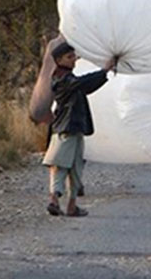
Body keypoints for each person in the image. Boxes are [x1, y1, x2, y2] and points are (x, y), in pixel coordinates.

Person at [42, 41, 116, 217]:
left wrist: (104, 73)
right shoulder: (62, 79)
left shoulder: (67, 77)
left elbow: (86, 86)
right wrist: (104, 71)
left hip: (74, 129)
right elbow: (82, 84)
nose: (74, 60)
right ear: (59, 60)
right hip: (65, 129)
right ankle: (55, 200)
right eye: (70, 57)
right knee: (60, 166)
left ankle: (71, 205)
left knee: (75, 167)